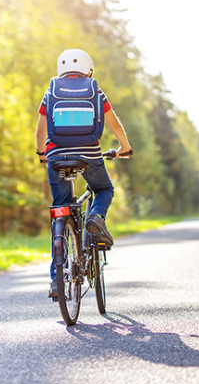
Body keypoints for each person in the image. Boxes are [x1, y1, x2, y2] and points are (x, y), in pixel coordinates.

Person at [35, 49, 133, 295]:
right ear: (88, 69)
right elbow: (112, 122)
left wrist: (41, 154)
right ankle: (96, 217)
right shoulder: (94, 90)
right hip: (89, 154)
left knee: (61, 209)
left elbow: (40, 132)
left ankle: (58, 278)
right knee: (103, 189)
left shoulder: (51, 92)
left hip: (56, 157)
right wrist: (124, 146)